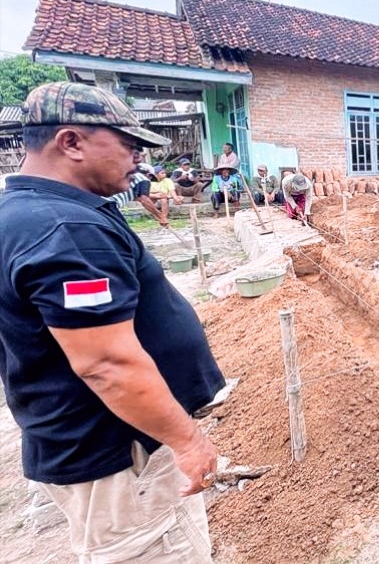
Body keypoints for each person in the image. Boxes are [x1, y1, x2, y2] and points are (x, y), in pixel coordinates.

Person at [0, 82, 224, 562]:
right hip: (124, 456)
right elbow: (107, 364)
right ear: (71, 142)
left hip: (104, 445)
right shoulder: (66, 230)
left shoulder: (25, 215)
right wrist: (187, 440)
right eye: (128, 145)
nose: (138, 159)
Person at [109, 162, 169, 227]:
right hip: (109, 205)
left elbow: (138, 198)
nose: (150, 180)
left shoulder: (128, 177)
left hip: (103, 203)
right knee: (121, 229)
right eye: (151, 178)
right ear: (148, 174)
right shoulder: (143, 178)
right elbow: (145, 200)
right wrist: (161, 216)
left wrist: (158, 216)